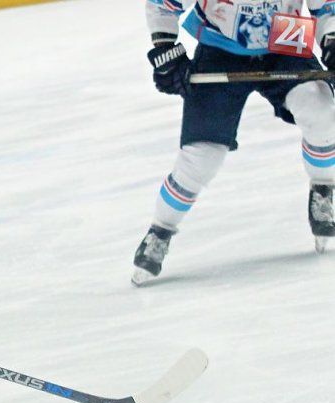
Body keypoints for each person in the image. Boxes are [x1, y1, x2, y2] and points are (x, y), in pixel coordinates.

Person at [133, 0, 335, 285]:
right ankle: (161, 229)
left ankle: (323, 187)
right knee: (201, 157)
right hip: (219, 46)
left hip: (285, 34)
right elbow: (163, 5)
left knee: (320, 109)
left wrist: (331, 38)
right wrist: (165, 49)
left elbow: (326, 6)